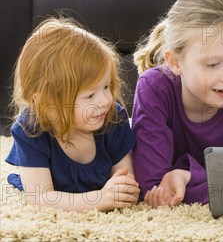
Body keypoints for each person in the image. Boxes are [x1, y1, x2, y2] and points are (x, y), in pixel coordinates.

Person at [132, 0, 223, 207]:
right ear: (175, 62)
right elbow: (152, 187)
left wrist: (187, 176)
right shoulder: (153, 88)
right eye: (213, 64)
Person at [5, 18, 139, 211]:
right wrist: (99, 199)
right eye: (90, 95)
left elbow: (125, 179)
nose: (105, 100)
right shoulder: (30, 129)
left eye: (106, 86)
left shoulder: (112, 118)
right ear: (46, 103)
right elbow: (41, 198)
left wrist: (123, 190)